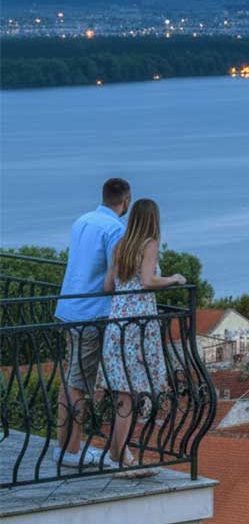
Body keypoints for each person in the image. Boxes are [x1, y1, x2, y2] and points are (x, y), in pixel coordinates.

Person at [101, 199, 186, 476]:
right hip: (139, 326)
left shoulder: (121, 245)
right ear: (153, 219)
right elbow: (149, 280)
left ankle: (118, 454)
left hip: (117, 325)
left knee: (123, 394)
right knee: (132, 394)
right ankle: (121, 460)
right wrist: (173, 279)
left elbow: (107, 286)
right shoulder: (148, 244)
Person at [54, 178, 131, 468]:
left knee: (70, 380)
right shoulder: (116, 229)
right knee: (79, 384)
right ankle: (72, 453)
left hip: (69, 307)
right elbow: (116, 274)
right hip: (91, 312)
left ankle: (63, 446)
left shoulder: (82, 221)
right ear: (126, 200)